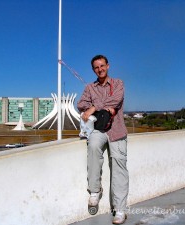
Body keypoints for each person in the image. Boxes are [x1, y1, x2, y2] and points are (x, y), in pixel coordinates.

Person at [77, 55, 129, 224]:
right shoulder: (90, 87)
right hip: (99, 129)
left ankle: (120, 209)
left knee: (118, 168)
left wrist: (94, 106)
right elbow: (80, 104)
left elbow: (116, 100)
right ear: (93, 70)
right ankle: (94, 190)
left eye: (102, 66)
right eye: (96, 67)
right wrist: (100, 107)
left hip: (117, 130)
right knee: (92, 147)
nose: (100, 69)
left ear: (108, 66)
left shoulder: (118, 83)